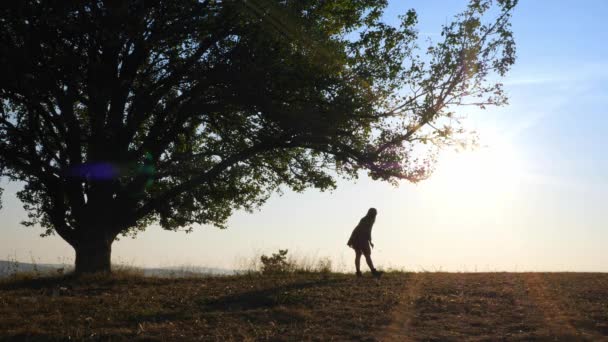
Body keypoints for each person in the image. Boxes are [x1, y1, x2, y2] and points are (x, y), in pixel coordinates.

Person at [347, 208, 383, 277]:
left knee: (359, 255)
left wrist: (370, 241)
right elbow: (366, 230)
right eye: (374, 213)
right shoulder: (367, 220)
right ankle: (373, 272)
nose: (375, 214)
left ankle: (359, 272)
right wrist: (369, 241)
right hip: (360, 238)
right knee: (366, 255)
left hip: (357, 238)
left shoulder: (367, 219)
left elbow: (367, 230)